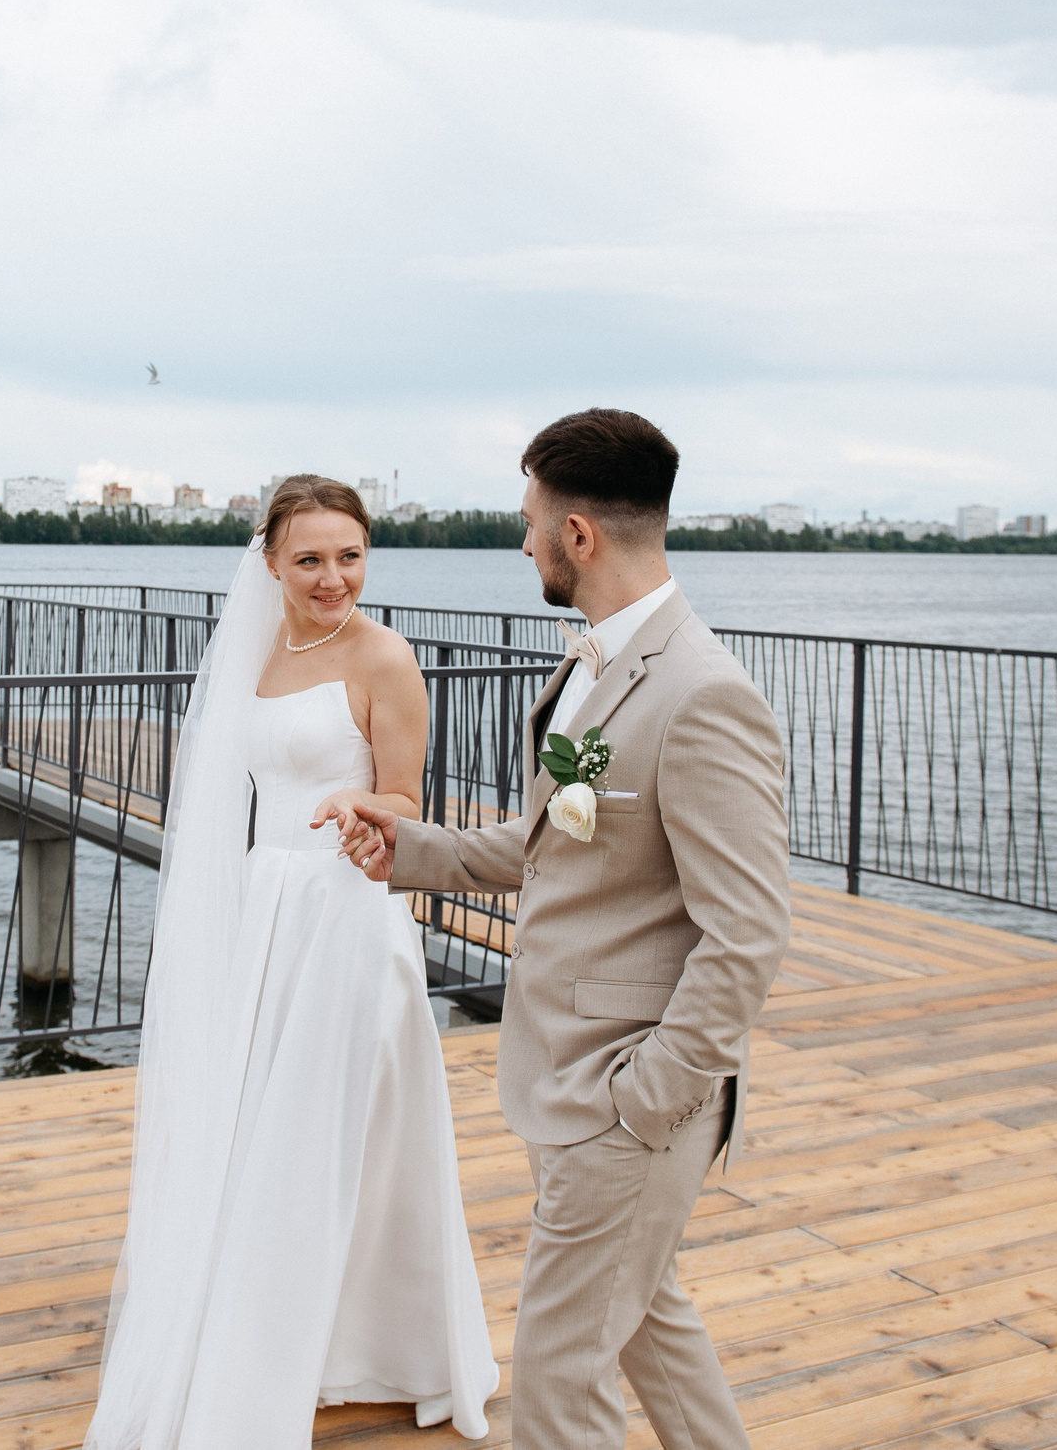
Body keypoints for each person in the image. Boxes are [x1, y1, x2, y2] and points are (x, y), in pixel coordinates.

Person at [335, 409, 792, 1450]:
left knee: (555, 1383)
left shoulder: (702, 694)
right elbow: (559, 845)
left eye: (530, 518)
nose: (521, 540)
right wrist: (408, 848)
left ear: (577, 534)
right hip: (574, 1078)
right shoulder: (597, 667)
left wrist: (643, 1102)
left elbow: (749, 935)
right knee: (648, 1328)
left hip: (622, 1100)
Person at [85, 475, 497, 1450]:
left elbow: (404, 793)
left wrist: (364, 813)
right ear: (269, 561)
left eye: (348, 555)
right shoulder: (248, 653)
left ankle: (383, 1343)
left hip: (347, 913)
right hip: (265, 909)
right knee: (257, 1127)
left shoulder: (384, 656)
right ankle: (279, 1340)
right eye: (309, 557)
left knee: (338, 1132)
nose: (331, 577)